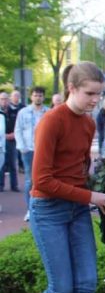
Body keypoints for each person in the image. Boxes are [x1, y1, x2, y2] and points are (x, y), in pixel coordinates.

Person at [30, 62, 105, 293]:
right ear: (72, 88)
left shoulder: (89, 123)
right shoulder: (51, 121)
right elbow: (41, 181)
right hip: (48, 209)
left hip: (77, 209)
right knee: (61, 290)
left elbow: (80, 170)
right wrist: (91, 197)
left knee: (87, 285)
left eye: (99, 94)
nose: (95, 99)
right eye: (89, 93)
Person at [15, 87, 50, 221]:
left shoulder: (49, 112)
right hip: (28, 150)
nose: (38, 98)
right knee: (30, 180)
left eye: (40, 95)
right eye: (35, 95)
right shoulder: (23, 112)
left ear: (43, 97)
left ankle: (44, 208)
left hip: (44, 150)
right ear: (31, 97)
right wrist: (22, 147)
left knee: (45, 179)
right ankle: (30, 209)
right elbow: (18, 129)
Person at [0, 91, 20, 192]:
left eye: (6, 99)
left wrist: (14, 134)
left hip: (12, 140)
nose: (4, 101)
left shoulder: (14, 111)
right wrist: (4, 136)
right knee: (1, 164)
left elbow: (19, 124)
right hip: (1, 141)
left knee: (13, 164)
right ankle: (1, 185)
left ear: (9, 100)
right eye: (2, 99)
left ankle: (14, 185)